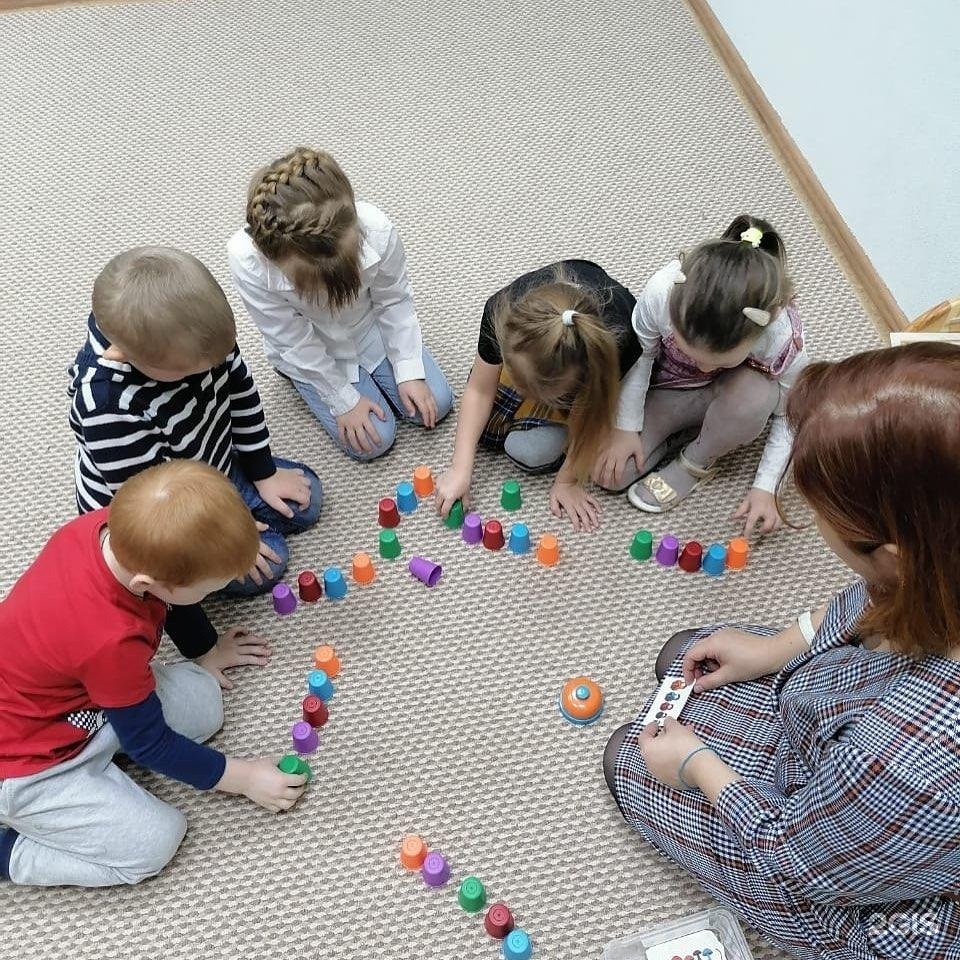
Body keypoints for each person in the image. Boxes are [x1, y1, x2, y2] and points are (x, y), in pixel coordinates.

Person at [605, 343, 960, 959]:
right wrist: (776, 649)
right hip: (848, 767)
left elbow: (792, 861)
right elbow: (866, 604)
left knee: (629, 758)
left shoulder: (905, 760)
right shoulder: (934, 570)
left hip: (855, 883)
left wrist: (697, 768)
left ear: (896, 551)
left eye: (823, 510)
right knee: (688, 656)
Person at [0, 461, 308, 887]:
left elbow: (168, 600)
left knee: (206, 700)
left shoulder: (119, 532)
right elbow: (150, 745)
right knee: (156, 842)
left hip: (90, 700)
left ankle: (108, 748)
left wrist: (206, 650)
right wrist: (245, 777)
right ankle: (10, 853)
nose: (215, 593)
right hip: (31, 762)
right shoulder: (109, 640)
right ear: (149, 581)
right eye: (208, 590)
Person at [68, 245, 323, 613]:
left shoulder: (203, 340)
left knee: (307, 498)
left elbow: (242, 397)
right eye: (191, 370)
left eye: (216, 360)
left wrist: (263, 472)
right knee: (269, 564)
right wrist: (224, 534)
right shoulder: (109, 407)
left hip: (214, 463)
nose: (209, 370)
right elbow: (157, 504)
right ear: (125, 356)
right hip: (162, 511)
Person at [227, 146, 453, 461]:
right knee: (375, 441)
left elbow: (394, 300)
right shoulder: (248, 261)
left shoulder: (376, 229)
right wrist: (343, 401)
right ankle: (299, 380)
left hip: (368, 330)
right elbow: (292, 339)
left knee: (437, 403)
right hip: (315, 351)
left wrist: (408, 369)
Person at [594, 215, 807, 535]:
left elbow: (789, 417)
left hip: (738, 396)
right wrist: (626, 428)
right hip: (674, 388)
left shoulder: (780, 337)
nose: (704, 367)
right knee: (609, 475)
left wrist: (767, 488)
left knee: (758, 394)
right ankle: (687, 430)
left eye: (717, 360)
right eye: (688, 349)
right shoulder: (663, 293)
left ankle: (698, 457)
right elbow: (640, 358)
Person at [435, 260, 643, 532]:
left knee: (531, 452)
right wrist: (459, 468)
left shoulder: (609, 349)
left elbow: (591, 416)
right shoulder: (502, 311)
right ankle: (535, 395)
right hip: (555, 332)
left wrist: (567, 481)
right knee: (483, 432)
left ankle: (552, 410)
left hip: (603, 359)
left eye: (535, 394)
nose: (524, 395)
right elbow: (478, 389)